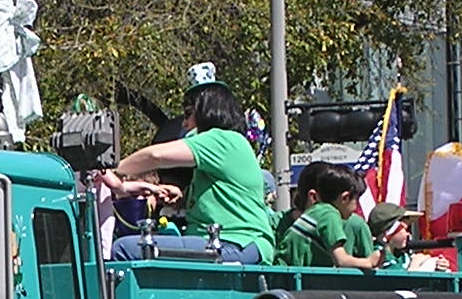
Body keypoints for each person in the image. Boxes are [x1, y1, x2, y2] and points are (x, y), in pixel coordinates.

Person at [99, 68, 280, 267]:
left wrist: (113, 169)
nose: (184, 124)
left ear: (207, 110)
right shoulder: (230, 145)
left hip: (236, 243)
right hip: (233, 243)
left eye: (187, 114)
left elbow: (155, 156)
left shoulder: (221, 140)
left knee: (124, 249)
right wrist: (181, 197)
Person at [277, 163, 381, 271]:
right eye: (356, 200)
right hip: (287, 278)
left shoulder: (318, 210)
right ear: (345, 197)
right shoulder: (330, 215)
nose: (356, 207)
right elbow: (341, 260)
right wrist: (369, 262)